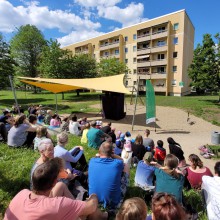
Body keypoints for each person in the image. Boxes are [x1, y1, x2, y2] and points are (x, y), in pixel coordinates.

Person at [5, 158, 107, 220]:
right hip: (60, 208)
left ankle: (77, 207)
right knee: (85, 214)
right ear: (54, 182)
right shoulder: (58, 204)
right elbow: (92, 206)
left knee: (61, 186)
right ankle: (104, 216)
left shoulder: (22, 193)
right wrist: (94, 194)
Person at [88, 141, 128, 209]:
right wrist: (113, 155)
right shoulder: (118, 163)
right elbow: (122, 160)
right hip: (113, 202)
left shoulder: (92, 161)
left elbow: (96, 156)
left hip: (93, 199)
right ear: (112, 152)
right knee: (126, 166)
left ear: (99, 151)